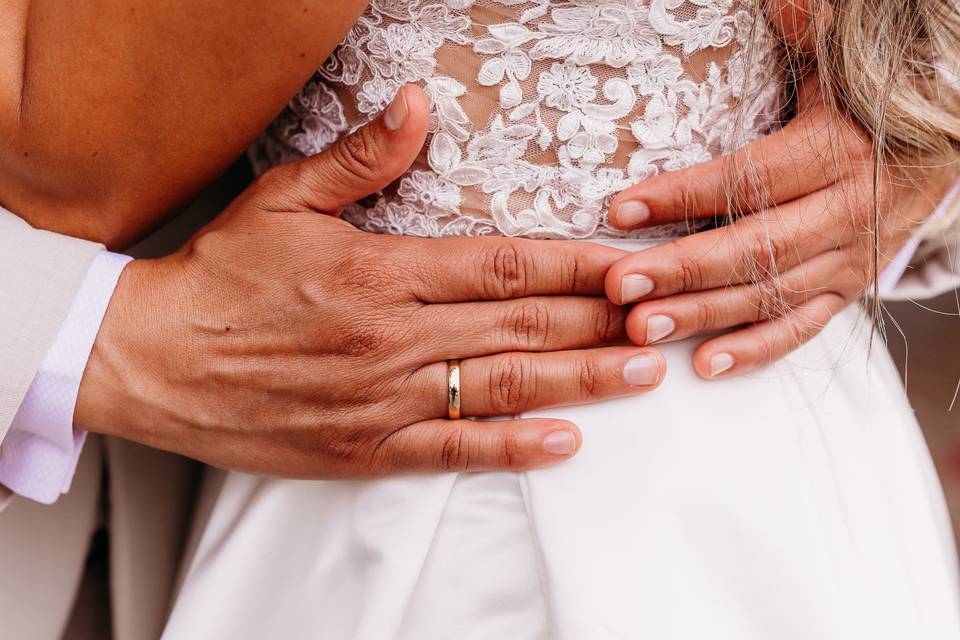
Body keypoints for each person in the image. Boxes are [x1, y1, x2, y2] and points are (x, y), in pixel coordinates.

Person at [0, 1, 956, 638]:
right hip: (303, 468)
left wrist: (915, 129)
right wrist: (80, 336)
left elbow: (61, 163)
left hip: (677, 482)